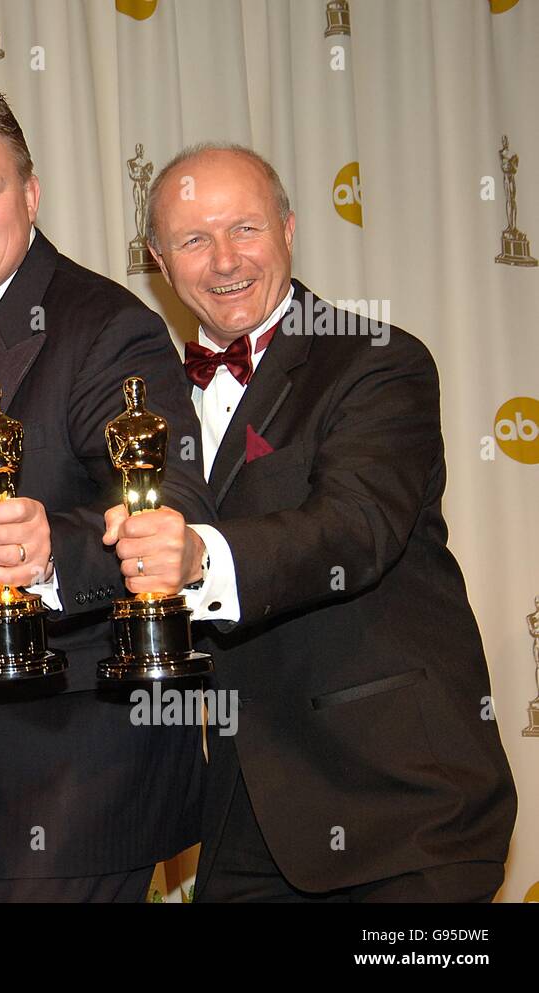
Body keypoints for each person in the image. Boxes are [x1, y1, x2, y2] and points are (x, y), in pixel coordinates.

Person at [107, 142, 517, 901]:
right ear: (160, 262)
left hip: (399, 807)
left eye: (246, 229)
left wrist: (199, 553)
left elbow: (355, 526)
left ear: (290, 230)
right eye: (194, 239)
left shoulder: (375, 361)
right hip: (243, 819)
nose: (225, 259)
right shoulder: (148, 407)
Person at [0, 82, 215, 902]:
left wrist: (48, 553)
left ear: (30, 195)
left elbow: (170, 501)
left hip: (78, 768)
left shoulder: (108, 325)